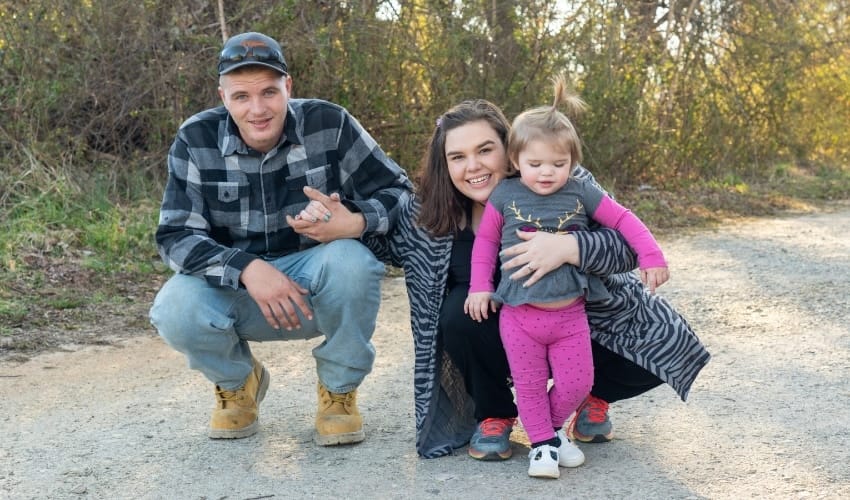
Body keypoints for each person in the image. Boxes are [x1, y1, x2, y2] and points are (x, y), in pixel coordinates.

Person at [365, 98, 709, 460]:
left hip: (575, 319)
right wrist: (350, 222)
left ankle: (587, 396)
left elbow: (626, 245)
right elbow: (383, 237)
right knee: (457, 314)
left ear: (510, 149)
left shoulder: (561, 180)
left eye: (485, 150)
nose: (473, 166)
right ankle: (495, 413)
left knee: (662, 342)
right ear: (445, 164)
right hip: (503, 334)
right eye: (458, 157)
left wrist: (570, 248)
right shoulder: (428, 213)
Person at [149, 32, 413, 445]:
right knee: (174, 307)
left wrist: (354, 222)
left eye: (269, 92)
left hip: (316, 287)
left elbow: (400, 192)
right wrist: (247, 268)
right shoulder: (195, 138)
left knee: (353, 261)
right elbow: (175, 235)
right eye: (241, 96)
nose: (257, 109)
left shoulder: (330, 123)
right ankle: (238, 384)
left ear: (288, 87)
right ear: (223, 97)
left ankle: (339, 393)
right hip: (239, 291)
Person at [463, 75, 669, 478]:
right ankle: (542, 446)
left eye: (558, 164)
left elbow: (622, 220)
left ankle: (552, 431)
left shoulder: (579, 191)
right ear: (515, 160)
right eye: (535, 164)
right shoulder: (504, 195)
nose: (546, 173)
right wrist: (480, 287)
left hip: (569, 314)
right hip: (520, 316)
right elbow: (485, 243)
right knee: (529, 384)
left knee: (578, 382)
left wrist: (651, 255)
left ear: (572, 161)